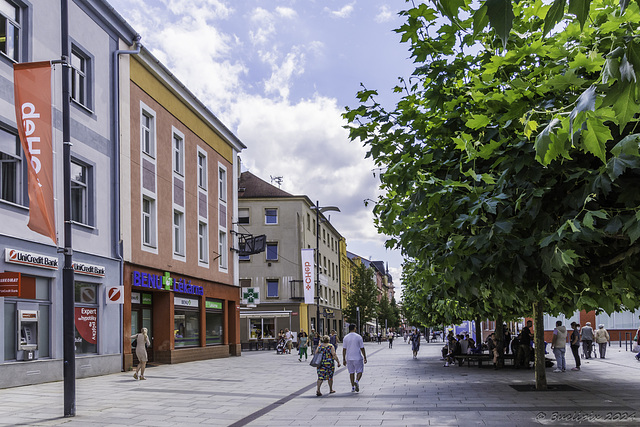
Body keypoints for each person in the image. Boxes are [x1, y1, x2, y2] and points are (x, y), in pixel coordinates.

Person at [342, 324, 367, 392]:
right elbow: (362, 348)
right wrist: (364, 356)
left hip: (349, 357)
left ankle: (352, 387)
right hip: (357, 357)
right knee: (360, 371)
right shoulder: (358, 337)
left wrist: (344, 359)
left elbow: (344, 349)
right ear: (354, 328)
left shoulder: (345, 337)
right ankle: (357, 381)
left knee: (351, 372)